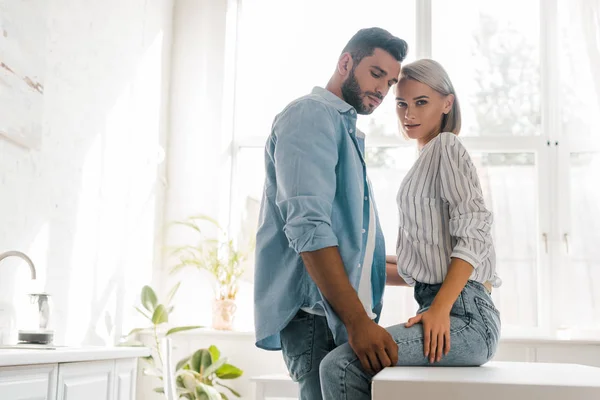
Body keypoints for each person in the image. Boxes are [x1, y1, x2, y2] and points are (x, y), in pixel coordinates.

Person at [319, 58, 502, 399]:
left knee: (340, 366)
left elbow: (475, 233)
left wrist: (440, 308)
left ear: (447, 103)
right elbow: (421, 264)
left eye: (421, 103)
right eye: (401, 103)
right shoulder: (426, 159)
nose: (409, 114)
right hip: (442, 306)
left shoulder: (446, 148)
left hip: (466, 315)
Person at [253, 27, 408, 399]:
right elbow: (309, 229)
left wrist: (433, 275)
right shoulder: (311, 116)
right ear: (345, 63)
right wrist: (358, 322)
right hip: (319, 318)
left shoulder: (343, 128)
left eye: (390, 82)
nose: (382, 90)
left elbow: (355, 254)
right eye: (375, 73)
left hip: (336, 318)